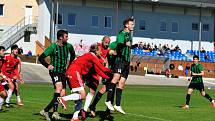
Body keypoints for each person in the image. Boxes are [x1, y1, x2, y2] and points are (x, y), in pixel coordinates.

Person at [58, 44, 112, 121]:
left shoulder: (89, 55)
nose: (101, 53)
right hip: (75, 72)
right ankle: (63, 99)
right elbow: (102, 69)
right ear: (96, 51)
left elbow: (98, 71)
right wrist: (112, 73)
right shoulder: (92, 56)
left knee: (80, 98)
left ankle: (75, 117)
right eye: (100, 51)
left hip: (71, 72)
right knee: (83, 95)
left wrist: (107, 77)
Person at [38, 30, 75, 120]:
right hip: (55, 71)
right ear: (61, 37)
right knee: (59, 88)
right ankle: (47, 110)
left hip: (63, 71)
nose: (68, 38)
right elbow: (41, 58)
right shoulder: (53, 47)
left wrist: (69, 66)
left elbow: (73, 55)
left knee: (62, 93)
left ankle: (53, 112)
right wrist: (48, 65)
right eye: (66, 36)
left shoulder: (69, 46)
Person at [105, 17, 137, 114]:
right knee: (115, 79)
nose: (133, 26)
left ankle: (117, 105)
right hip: (120, 61)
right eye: (132, 24)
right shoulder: (122, 34)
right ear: (126, 25)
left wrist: (134, 46)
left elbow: (127, 46)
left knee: (122, 83)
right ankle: (108, 101)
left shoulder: (129, 35)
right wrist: (125, 44)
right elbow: (119, 45)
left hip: (127, 62)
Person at [81, 36, 111, 119]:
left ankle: (84, 109)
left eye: (108, 43)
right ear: (102, 41)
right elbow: (91, 53)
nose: (107, 44)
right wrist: (102, 59)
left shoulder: (108, 49)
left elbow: (107, 60)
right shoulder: (96, 46)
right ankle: (76, 106)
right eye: (106, 42)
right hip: (88, 70)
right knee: (80, 90)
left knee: (92, 91)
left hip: (96, 72)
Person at [0, 46, 7, 111]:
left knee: (4, 94)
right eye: (3, 51)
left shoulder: (1, 60)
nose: (4, 52)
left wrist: (4, 77)